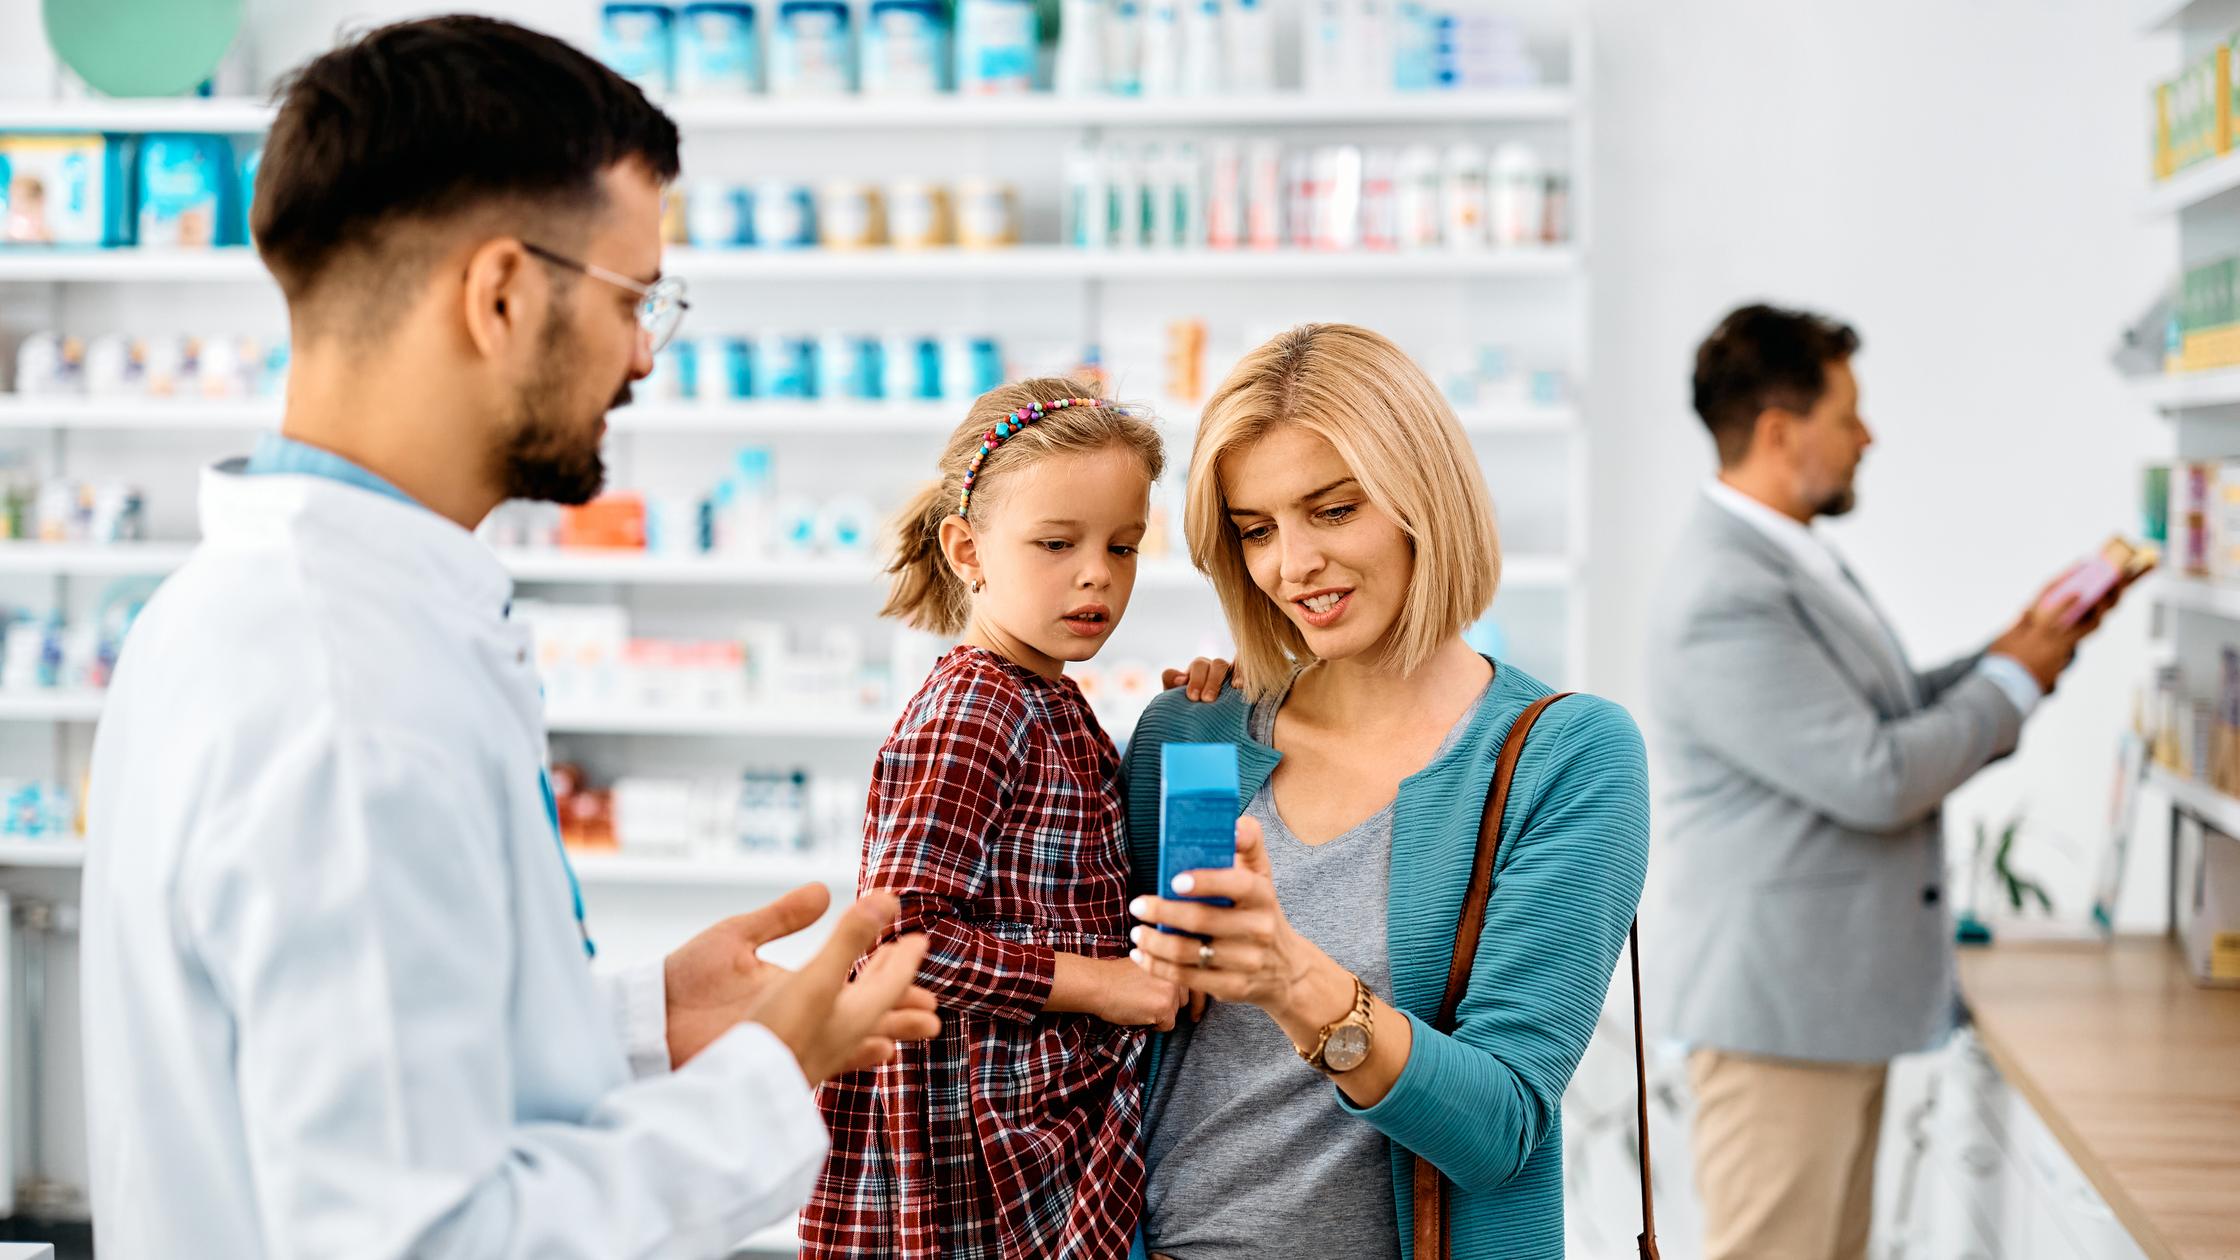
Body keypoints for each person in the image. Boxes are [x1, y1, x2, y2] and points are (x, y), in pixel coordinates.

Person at [78, 17, 938, 1259]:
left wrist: (647, 1024)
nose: (644, 351)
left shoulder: (231, 613)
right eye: (635, 297)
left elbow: (371, 1048)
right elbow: (427, 1237)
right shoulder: (346, 693)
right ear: (499, 294)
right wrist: (764, 1082)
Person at [1119, 323, 1651, 1260]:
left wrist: (1296, 980)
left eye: (1332, 511)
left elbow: (1501, 1130)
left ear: (1422, 499)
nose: (1291, 566)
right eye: (1256, 530)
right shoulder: (1192, 734)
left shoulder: (1563, 756)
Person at [1645, 303, 2131, 1260]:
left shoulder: (1792, 558)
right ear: (1782, 431)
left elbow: (1889, 712)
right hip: (1778, 1016)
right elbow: (1875, 775)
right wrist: (2012, 680)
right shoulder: (1724, 593)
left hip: (1827, 1005)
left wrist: (2014, 649)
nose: (1869, 437)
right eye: (1849, 413)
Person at [802, 381, 1186, 1258]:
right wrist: (1103, 985)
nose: (1097, 573)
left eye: (1123, 547)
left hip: (1028, 1119)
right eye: (1057, 543)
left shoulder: (1048, 694)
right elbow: (903, 940)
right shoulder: (976, 709)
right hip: (974, 1149)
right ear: (968, 550)